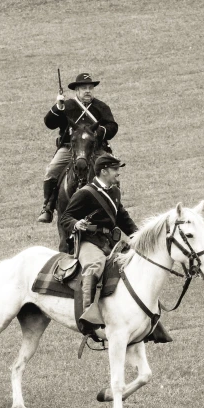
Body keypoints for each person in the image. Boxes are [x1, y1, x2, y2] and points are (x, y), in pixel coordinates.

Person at [59, 155, 172, 343]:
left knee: (134, 266)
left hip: (108, 242)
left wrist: (139, 239)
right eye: (115, 169)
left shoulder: (115, 192)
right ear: (104, 171)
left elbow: (123, 219)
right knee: (95, 265)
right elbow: (65, 218)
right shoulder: (85, 193)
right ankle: (88, 315)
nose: (118, 173)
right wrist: (75, 223)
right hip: (88, 241)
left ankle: (150, 322)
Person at [37, 72, 119, 223]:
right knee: (52, 170)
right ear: (77, 91)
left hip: (94, 148)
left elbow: (112, 127)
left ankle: (116, 206)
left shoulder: (101, 107)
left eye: (90, 88)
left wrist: (99, 132)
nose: (88, 91)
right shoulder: (66, 106)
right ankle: (47, 206)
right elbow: (49, 123)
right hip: (70, 148)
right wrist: (58, 107)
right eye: (84, 88)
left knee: (111, 171)